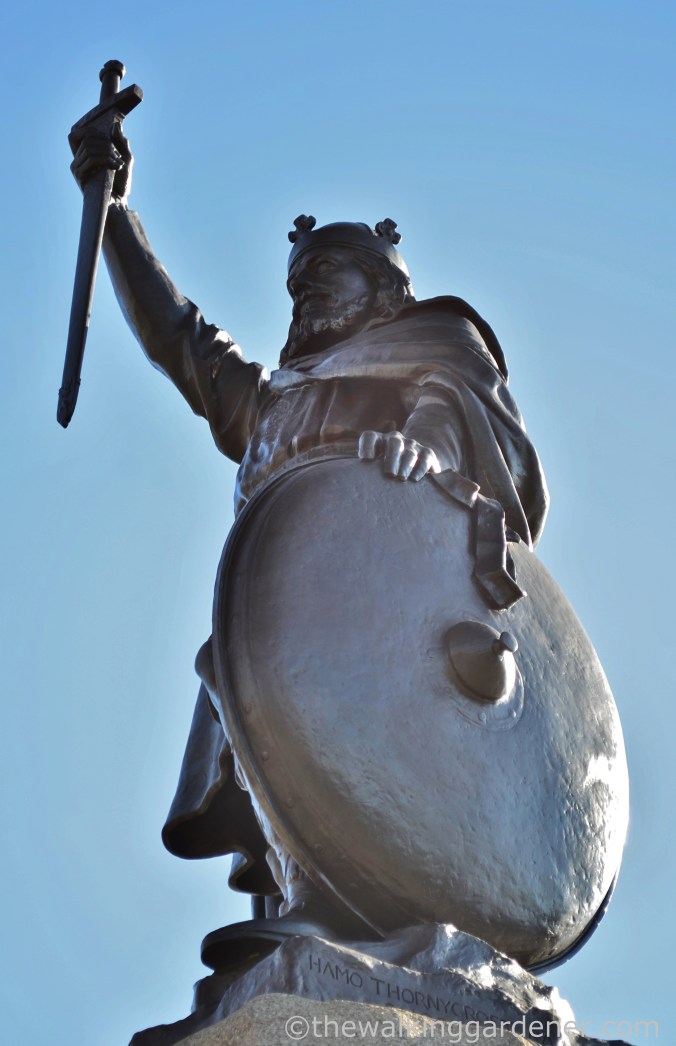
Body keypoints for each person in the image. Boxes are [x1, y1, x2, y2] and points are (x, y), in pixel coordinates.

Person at [69, 125, 549, 937]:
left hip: (386, 608)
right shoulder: (275, 401)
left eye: (329, 273)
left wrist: (419, 460)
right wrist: (112, 208)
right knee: (262, 735)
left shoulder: (431, 353)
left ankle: (339, 907)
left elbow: (456, 419)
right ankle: (298, 909)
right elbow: (178, 333)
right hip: (276, 613)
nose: (308, 292)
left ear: (386, 290)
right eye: (298, 283)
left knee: (339, 746)